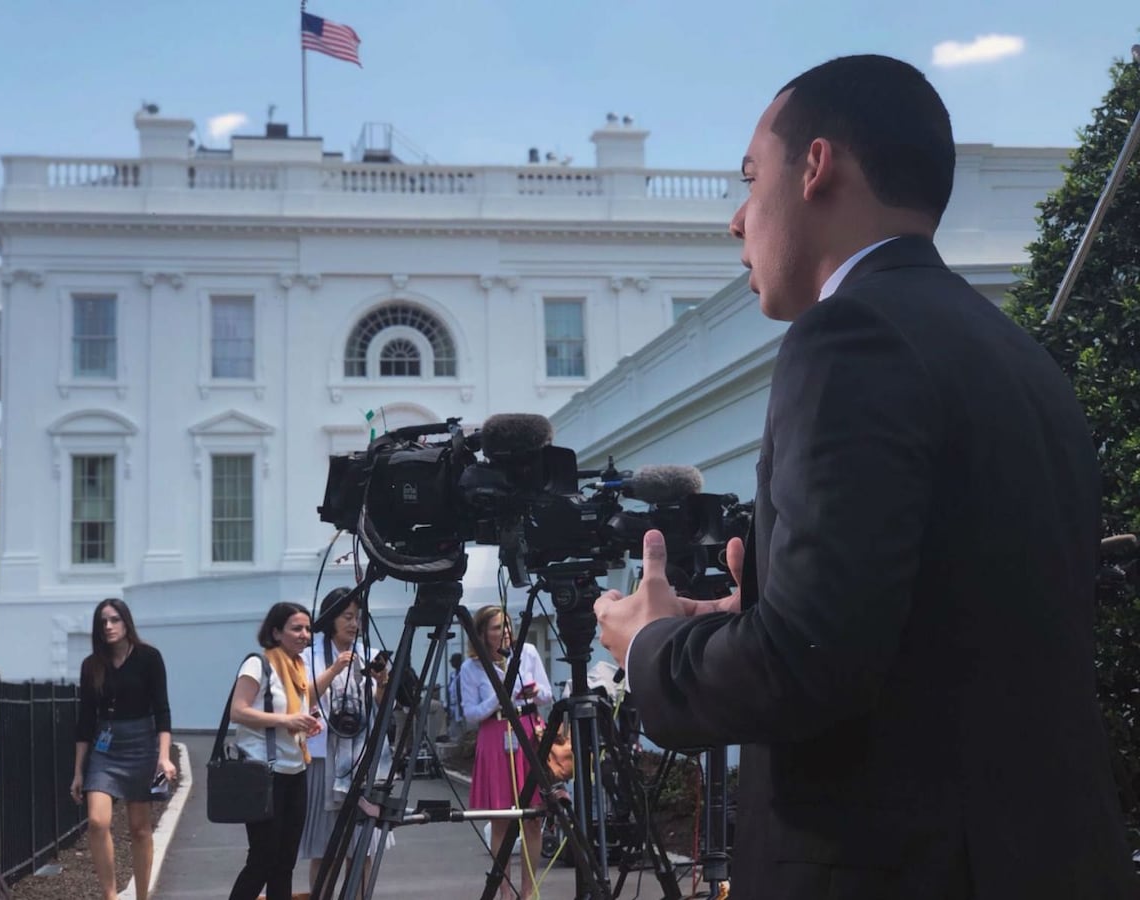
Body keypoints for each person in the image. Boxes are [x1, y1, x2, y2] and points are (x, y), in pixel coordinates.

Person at [594, 54, 1135, 899]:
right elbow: (945, 633)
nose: (737, 221)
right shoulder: (1023, 359)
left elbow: (809, 669)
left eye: (749, 178)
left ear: (815, 167)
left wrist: (650, 646)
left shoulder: (847, 339)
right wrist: (767, 610)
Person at [71, 598, 175, 900]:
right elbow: (85, 720)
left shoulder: (149, 657)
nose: (108, 626)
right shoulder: (92, 666)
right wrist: (78, 771)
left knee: (140, 829)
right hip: (105, 748)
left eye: (114, 619)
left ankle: (143, 896)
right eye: (103, 621)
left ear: (126, 622)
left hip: (144, 745)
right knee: (97, 821)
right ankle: (110, 895)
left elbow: (163, 710)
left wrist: (164, 757)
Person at [299, 587, 394, 897]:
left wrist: (382, 685)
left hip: (361, 760)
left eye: (359, 617)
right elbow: (302, 699)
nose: (354, 624)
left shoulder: (368, 654)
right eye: (347, 616)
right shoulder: (308, 655)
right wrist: (335, 668)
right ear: (330, 619)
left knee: (362, 848)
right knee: (324, 848)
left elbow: (383, 708)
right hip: (323, 759)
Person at [227, 602, 324, 900]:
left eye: (308, 628)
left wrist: (307, 722)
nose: (305, 634)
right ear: (275, 632)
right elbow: (237, 711)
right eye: (296, 628)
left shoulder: (298, 667)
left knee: (285, 863)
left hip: (295, 770)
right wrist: (288, 719)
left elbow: (295, 712)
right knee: (262, 860)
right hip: (263, 773)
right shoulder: (259, 664)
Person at [460, 605, 553, 900]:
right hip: (495, 734)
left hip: (527, 730)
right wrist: (501, 695)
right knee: (501, 818)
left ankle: (528, 891)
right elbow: (471, 714)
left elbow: (549, 694)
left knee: (533, 816)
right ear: (483, 634)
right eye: (497, 628)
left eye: (508, 626)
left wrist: (533, 691)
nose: (505, 633)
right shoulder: (471, 668)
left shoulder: (527, 653)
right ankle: (505, 891)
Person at [444, 651, 465, 740]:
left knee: (463, 730)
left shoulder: (463, 674)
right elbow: (449, 691)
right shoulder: (452, 675)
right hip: (453, 707)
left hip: (461, 706)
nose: (452, 663)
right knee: (454, 731)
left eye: (453, 661)